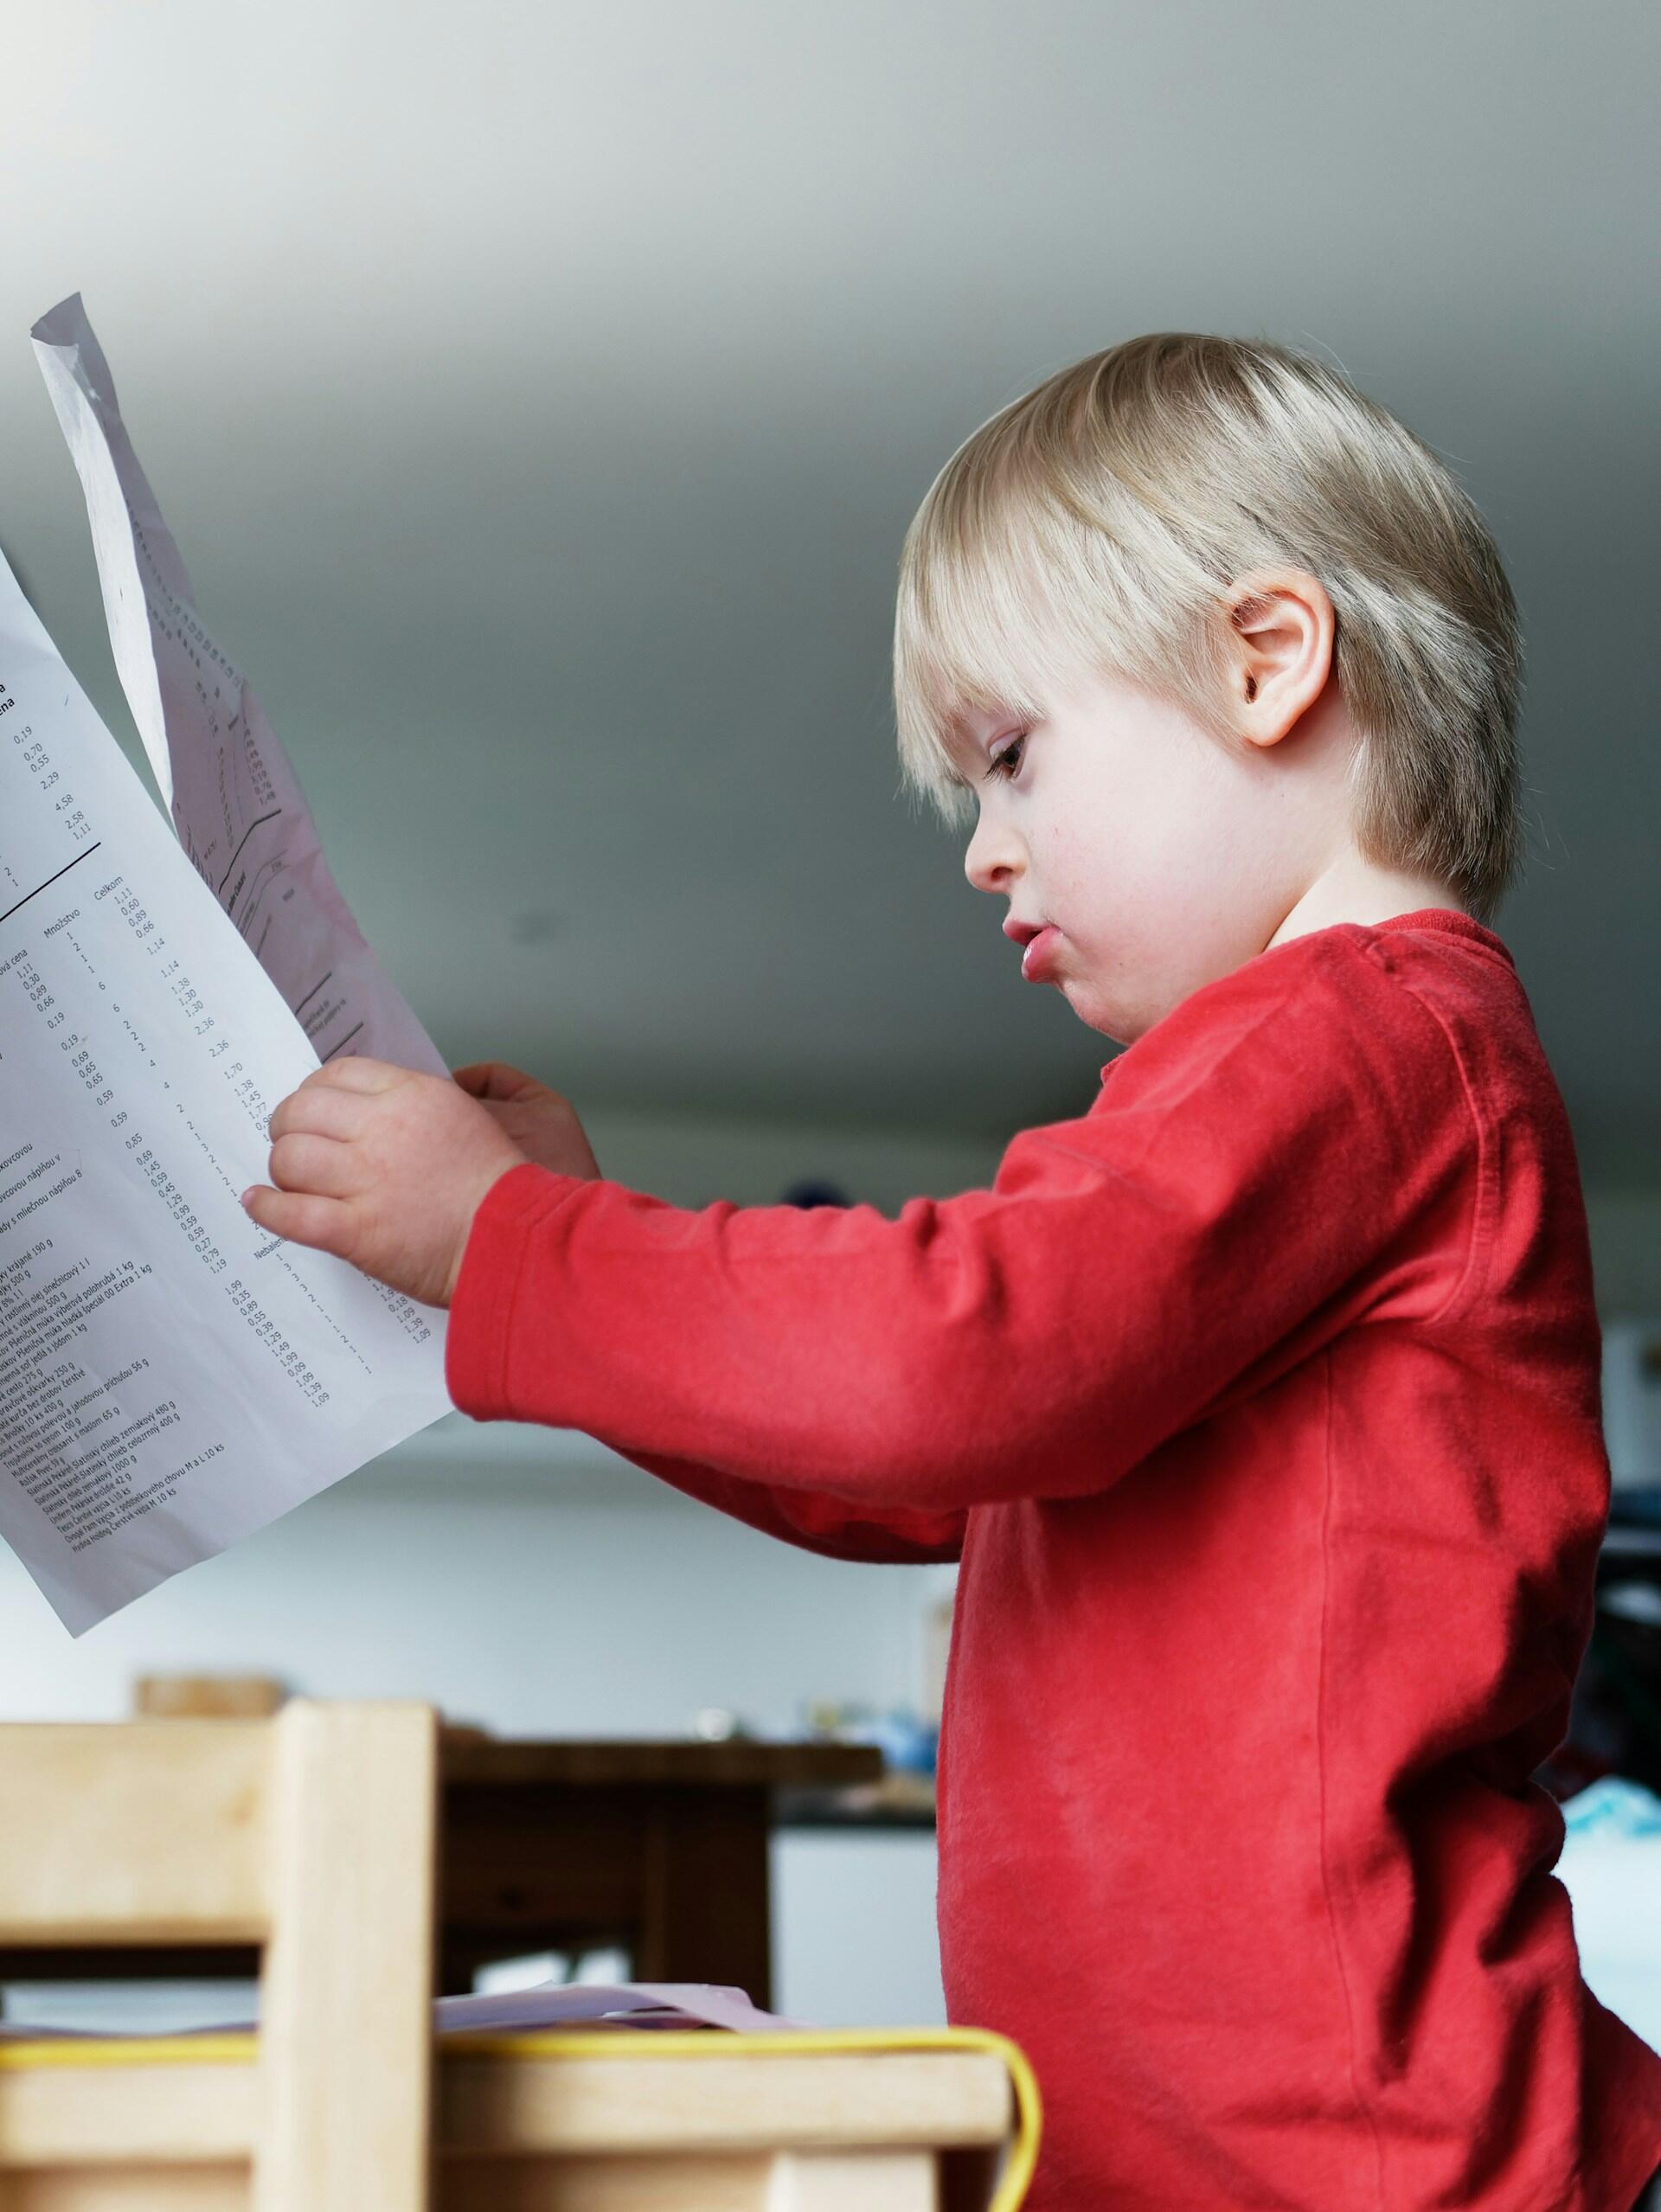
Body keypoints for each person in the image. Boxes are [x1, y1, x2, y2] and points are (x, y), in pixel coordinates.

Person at [240, 334, 1661, 2209]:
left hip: (1382, 2164)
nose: (984, 852)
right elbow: (926, 1440)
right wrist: (566, 1269)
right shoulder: (1295, 1079)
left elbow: (955, 1358)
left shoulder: (1363, 1034)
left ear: (1267, 661)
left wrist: (519, 1246)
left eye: (1011, 757)